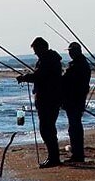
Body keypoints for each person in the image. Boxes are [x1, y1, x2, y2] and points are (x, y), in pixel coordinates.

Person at [16, 37, 63, 168]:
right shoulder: (48, 60)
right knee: (48, 128)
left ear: (42, 48)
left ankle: (53, 158)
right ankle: (53, 156)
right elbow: (40, 75)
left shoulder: (48, 61)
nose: (35, 53)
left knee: (46, 128)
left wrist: (25, 78)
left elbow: (40, 77)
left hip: (48, 98)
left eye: (36, 50)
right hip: (49, 98)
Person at [61, 42, 91, 163]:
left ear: (77, 51)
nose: (70, 53)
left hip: (74, 99)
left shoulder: (77, 65)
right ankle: (77, 153)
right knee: (74, 125)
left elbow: (67, 81)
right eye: (69, 51)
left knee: (74, 126)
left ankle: (78, 154)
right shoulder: (82, 64)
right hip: (77, 99)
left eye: (71, 51)